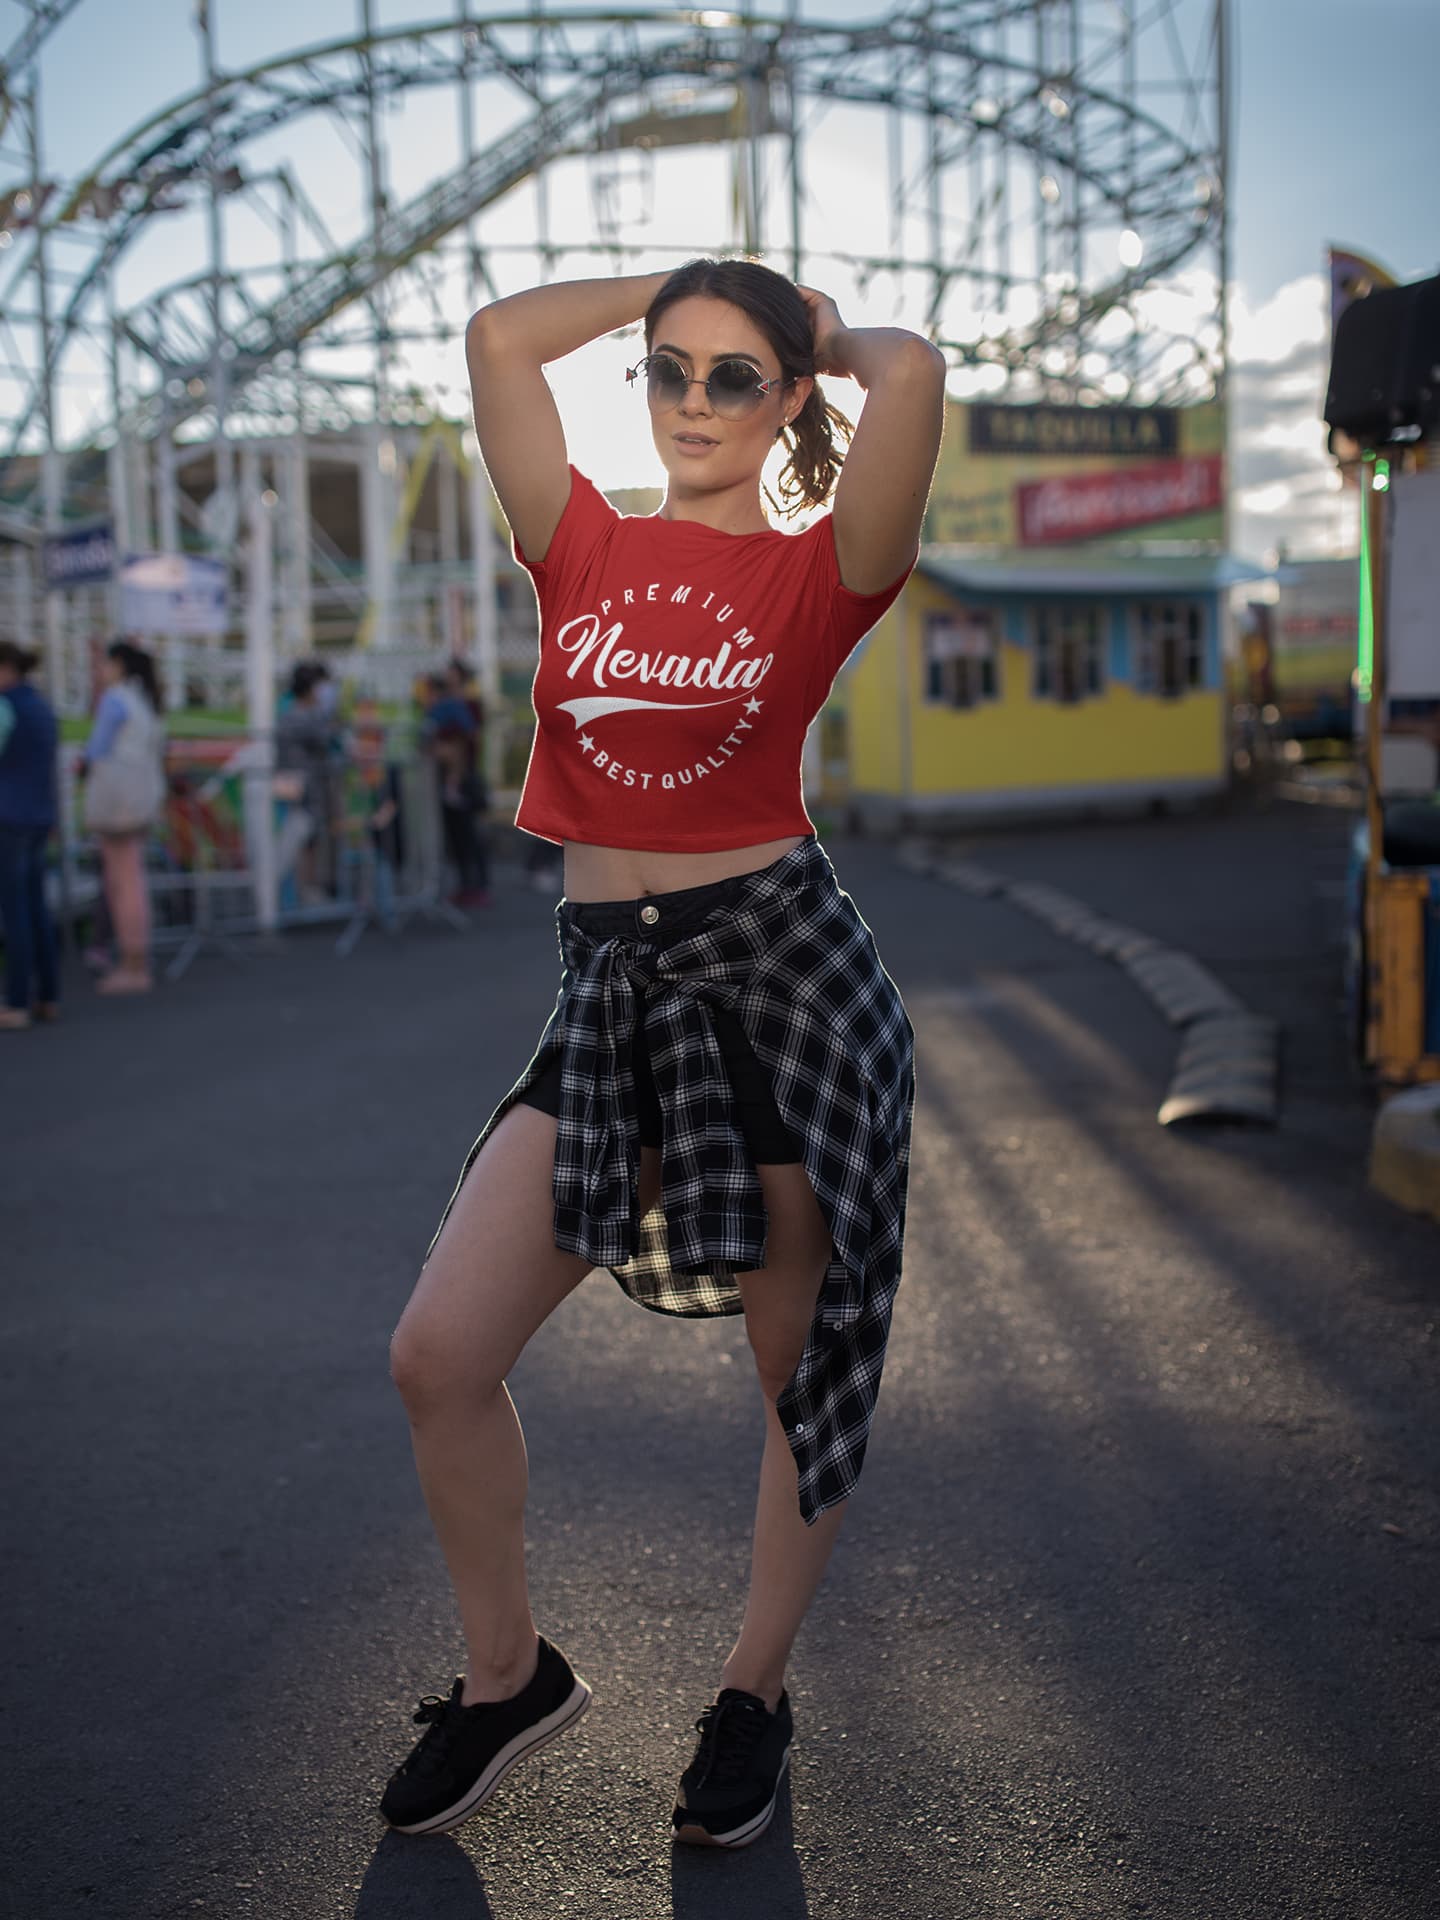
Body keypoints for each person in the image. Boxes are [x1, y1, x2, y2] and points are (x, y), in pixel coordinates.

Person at [382, 259, 944, 1847]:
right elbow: (497, 338)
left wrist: (811, 332)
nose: (695, 401)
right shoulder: (581, 543)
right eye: (670, 370)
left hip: (781, 988)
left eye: (733, 378)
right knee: (438, 1352)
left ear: (786, 404)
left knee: (795, 1379)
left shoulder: (828, 567)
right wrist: (682, 278)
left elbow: (915, 373)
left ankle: (754, 1693)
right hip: (608, 991)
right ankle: (509, 1679)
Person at [79, 639, 167, 996]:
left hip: (117, 802)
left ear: (118, 665)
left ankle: (133, 963)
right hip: (142, 798)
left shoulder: (116, 700)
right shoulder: (145, 701)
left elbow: (97, 748)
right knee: (131, 880)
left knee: (123, 884)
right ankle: (134, 959)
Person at [0, 641, 60, 1031]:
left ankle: (17, 1001)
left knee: (15, 911)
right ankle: (47, 996)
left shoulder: (7, 706)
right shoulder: (40, 706)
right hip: (39, 815)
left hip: (9, 816)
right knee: (37, 909)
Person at [421, 663, 492, 907]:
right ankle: (468, 885)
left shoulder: (458, 708)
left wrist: (458, 771)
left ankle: (477, 885)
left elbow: (467, 740)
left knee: (468, 834)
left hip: (462, 779)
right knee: (459, 835)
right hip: (453, 778)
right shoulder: (448, 707)